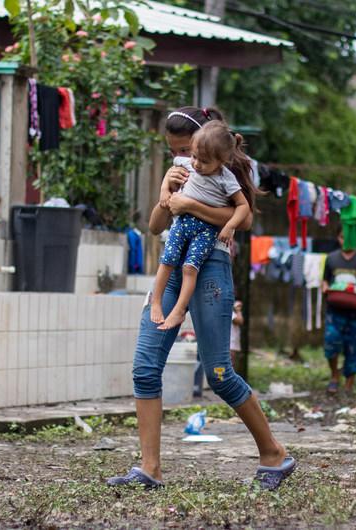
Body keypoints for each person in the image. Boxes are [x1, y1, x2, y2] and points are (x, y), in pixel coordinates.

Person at [107, 107, 295, 491]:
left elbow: (242, 218)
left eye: (185, 150)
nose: (182, 158)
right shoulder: (180, 171)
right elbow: (157, 226)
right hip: (170, 267)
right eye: (174, 152)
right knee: (145, 367)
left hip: (210, 269)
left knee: (219, 374)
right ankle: (150, 468)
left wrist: (191, 205)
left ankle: (274, 453)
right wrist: (168, 194)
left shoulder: (223, 172)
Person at [149, 121, 252, 331]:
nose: (196, 164)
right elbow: (169, 174)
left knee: (190, 268)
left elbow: (243, 208)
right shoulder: (187, 164)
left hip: (206, 230)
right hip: (183, 224)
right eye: (194, 156)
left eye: (204, 161)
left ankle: (178, 311)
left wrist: (230, 226)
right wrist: (163, 190)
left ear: (222, 161)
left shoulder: (226, 179)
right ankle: (156, 301)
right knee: (167, 260)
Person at [321, 232, 356, 393]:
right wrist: (325, 288)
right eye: (342, 237)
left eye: (349, 236)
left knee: (353, 346)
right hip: (334, 309)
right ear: (338, 238)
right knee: (331, 341)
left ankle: (349, 383)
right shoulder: (331, 258)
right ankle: (334, 376)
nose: (345, 240)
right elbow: (325, 280)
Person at [230, 300, 243, 368]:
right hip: (230, 345)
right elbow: (240, 321)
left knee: (232, 365)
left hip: (232, 344)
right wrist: (238, 310)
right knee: (231, 366)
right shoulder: (230, 313)